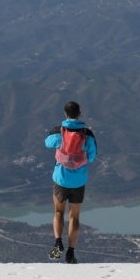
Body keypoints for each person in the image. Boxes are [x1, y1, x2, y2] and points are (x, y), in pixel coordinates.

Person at [45, 101, 97, 263]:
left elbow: (47, 143)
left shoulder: (59, 132)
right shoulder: (87, 134)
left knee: (58, 212)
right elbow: (92, 157)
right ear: (79, 113)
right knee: (74, 216)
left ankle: (58, 242)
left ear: (65, 114)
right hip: (79, 180)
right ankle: (71, 252)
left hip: (60, 178)